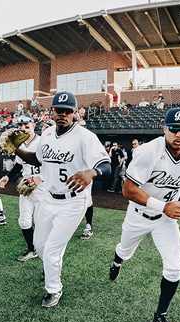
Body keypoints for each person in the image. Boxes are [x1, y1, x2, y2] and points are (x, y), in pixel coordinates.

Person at [109, 108, 180, 322]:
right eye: (173, 129)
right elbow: (128, 189)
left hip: (165, 219)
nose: (178, 134)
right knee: (124, 249)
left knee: (174, 267)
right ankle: (117, 261)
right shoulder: (148, 151)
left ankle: (160, 316)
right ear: (165, 129)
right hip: (139, 214)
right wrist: (164, 206)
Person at [14, 91, 111, 307]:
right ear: (52, 111)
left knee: (52, 250)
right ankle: (50, 267)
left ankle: (54, 289)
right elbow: (37, 159)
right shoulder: (47, 134)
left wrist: (92, 173)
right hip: (48, 197)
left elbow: (106, 166)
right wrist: (17, 150)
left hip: (73, 201)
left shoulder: (85, 137)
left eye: (68, 111)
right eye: (59, 110)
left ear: (75, 113)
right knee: (39, 245)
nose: (63, 114)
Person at [0, 115, 43, 261]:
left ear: (33, 125)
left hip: (43, 186)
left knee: (41, 222)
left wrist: (39, 178)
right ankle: (32, 249)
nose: (23, 128)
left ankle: (46, 252)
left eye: (26, 125)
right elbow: (19, 164)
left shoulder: (42, 141)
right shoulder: (20, 144)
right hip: (26, 183)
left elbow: (51, 166)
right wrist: (7, 176)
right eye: (21, 125)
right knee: (24, 220)